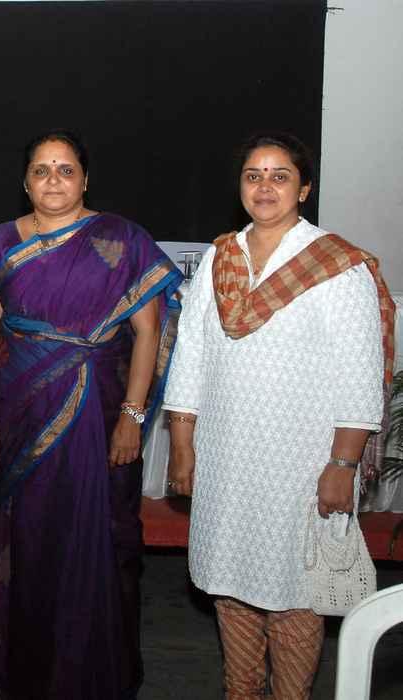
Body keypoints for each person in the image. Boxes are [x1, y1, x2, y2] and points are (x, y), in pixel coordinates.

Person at [164, 133, 395, 699]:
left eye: (279, 175)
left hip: (303, 465)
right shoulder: (220, 257)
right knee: (230, 586)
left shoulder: (336, 265)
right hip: (226, 458)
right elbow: (191, 355)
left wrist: (342, 464)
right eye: (253, 175)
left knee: (296, 595)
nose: (264, 187)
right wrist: (183, 445)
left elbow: (360, 374)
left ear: (304, 188)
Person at [0, 129, 183, 700]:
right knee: (27, 537)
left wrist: (132, 416)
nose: (53, 180)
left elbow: (148, 332)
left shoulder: (122, 239)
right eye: (41, 170)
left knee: (95, 537)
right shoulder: (3, 241)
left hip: (98, 413)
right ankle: (23, 669)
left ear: (85, 179)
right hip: (19, 412)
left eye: (66, 170)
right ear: (25, 182)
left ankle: (92, 673)